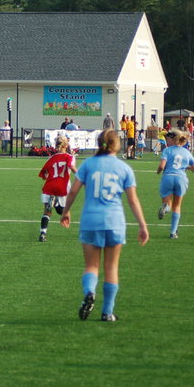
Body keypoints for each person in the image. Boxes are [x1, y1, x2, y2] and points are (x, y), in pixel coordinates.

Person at [60, 129, 149, 322]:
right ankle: (107, 312)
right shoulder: (124, 168)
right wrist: (142, 225)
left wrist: (65, 212)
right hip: (114, 221)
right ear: (117, 144)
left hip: (90, 220)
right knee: (111, 267)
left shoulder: (88, 164)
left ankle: (89, 292)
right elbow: (133, 200)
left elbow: (73, 191)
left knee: (91, 266)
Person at [156, 129, 194, 239]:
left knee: (167, 202)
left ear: (173, 139)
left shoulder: (167, 150)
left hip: (168, 177)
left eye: (168, 139)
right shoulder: (186, 152)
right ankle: (173, 232)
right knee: (177, 205)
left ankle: (166, 208)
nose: (167, 140)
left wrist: (158, 171)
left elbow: (161, 166)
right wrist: (186, 167)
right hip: (181, 178)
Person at [38, 135, 77, 242]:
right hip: (62, 186)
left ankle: (43, 233)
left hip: (50, 186)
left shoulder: (52, 158)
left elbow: (45, 173)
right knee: (63, 211)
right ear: (66, 145)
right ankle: (57, 205)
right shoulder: (70, 157)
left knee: (47, 211)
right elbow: (72, 167)